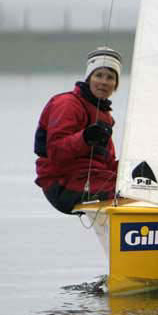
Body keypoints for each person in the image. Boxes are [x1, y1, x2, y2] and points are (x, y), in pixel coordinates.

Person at [34, 47, 121, 214]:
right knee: (123, 193)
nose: (104, 82)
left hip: (93, 178)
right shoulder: (68, 103)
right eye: (99, 75)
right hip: (62, 183)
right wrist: (85, 138)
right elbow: (55, 151)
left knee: (140, 187)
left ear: (115, 85)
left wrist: (133, 170)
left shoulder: (104, 116)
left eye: (110, 77)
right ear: (88, 78)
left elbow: (108, 162)